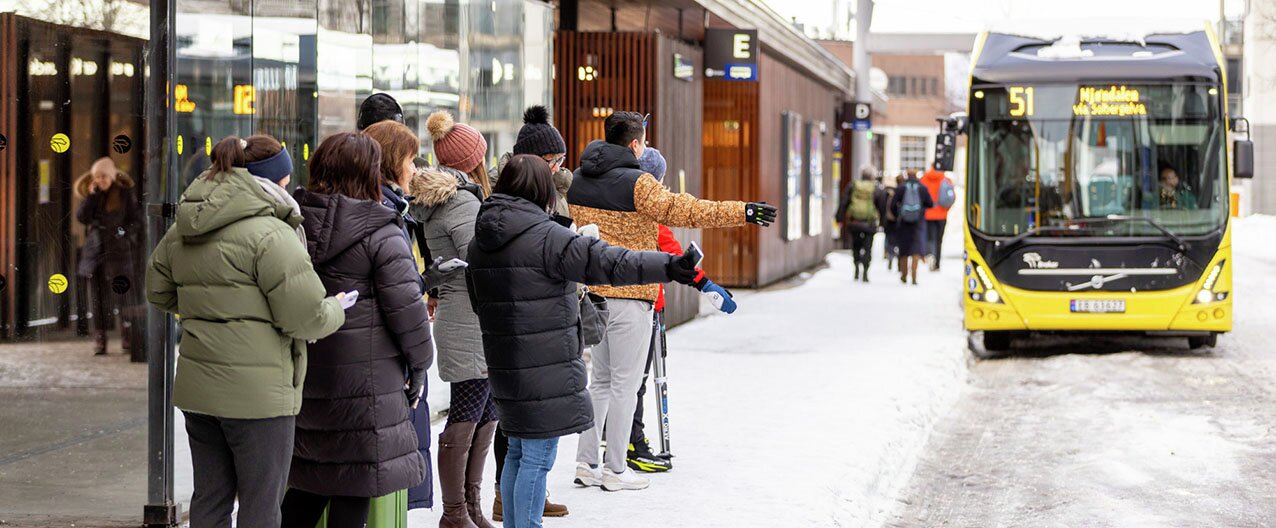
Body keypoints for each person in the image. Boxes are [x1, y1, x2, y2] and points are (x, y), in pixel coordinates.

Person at [466, 154, 701, 528]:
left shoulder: (480, 242)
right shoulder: (548, 238)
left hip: (504, 363)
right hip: (546, 365)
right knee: (537, 458)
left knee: (516, 453)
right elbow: (610, 261)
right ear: (541, 190)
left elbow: (478, 303)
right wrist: (669, 266)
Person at [568, 111, 776, 492]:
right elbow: (690, 209)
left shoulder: (579, 179)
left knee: (598, 382)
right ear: (634, 144)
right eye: (643, 142)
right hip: (632, 295)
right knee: (625, 385)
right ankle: (615, 469)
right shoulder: (639, 183)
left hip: (594, 294)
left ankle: (586, 462)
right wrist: (743, 211)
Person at [145, 136, 346, 528]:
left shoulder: (184, 226)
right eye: (286, 183)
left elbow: (157, 290)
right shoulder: (271, 234)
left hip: (199, 391)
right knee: (261, 504)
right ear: (267, 183)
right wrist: (337, 307)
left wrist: (205, 312)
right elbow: (305, 318)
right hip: (259, 398)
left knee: (210, 498)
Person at [283, 132, 433, 528]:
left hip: (304, 374)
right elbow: (407, 312)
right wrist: (420, 365)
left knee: (307, 482)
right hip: (365, 383)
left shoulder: (291, 225)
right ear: (369, 173)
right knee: (354, 485)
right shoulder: (381, 231)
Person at [401, 112, 498, 528]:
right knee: (467, 411)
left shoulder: (456, 198)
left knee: (487, 411)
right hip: (468, 319)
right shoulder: (462, 201)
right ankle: (455, 512)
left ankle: (471, 506)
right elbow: (480, 257)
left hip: (473, 316)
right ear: (472, 160)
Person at [482, 106, 573, 522]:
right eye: (555, 161)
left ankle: (518, 504)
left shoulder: (508, 200)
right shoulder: (515, 199)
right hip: (525, 333)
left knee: (521, 444)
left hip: (516, 332)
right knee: (525, 446)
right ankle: (513, 504)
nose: (560, 168)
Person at [627, 148, 737, 474]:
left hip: (614, 303)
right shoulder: (647, 216)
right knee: (636, 380)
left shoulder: (615, 205)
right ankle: (632, 443)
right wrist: (706, 285)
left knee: (615, 380)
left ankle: (612, 439)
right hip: (644, 305)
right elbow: (677, 256)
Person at [76, 157, 143, 356]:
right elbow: (82, 217)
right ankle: (100, 339)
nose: (100, 180)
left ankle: (127, 335)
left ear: (112, 176)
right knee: (98, 298)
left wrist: (124, 232)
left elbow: (137, 221)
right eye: (96, 176)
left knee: (122, 296)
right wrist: (90, 197)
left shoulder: (124, 195)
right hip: (96, 251)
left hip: (118, 252)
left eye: (103, 176)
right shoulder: (94, 196)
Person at [490, 106, 574, 217]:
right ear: (528, 160)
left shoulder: (557, 185)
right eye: (550, 160)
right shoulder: (492, 188)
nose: (557, 168)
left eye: (559, 160)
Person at [891, 169, 935, 285]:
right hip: (918, 223)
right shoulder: (922, 188)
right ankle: (914, 276)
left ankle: (904, 275)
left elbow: (892, 205)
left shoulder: (901, 188)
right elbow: (930, 203)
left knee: (904, 249)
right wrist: (921, 210)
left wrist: (899, 214)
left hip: (904, 223)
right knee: (916, 249)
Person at [843, 166, 880, 282]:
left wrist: (839, 217)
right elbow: (881, 205)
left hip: (855, 222)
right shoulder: (876, 188)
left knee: (856, 246)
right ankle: (865, 271)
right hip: (869, 223)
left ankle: (856, 268)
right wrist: (882, 221)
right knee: (868, 248)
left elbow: (844, 201)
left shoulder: (853, 186)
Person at [920, 165, 955, 271]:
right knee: (939, 240)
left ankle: (930, 256)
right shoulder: (946, 179)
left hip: (927, 214)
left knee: (929, 238)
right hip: (941, 215)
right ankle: (937, 263)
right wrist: (945, 210)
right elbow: (951, 198)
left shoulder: (923, 179)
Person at [874, 175, 899, 270]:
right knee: (895, 238)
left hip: (886, 220)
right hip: (895, 220)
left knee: (887, 237)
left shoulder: (883, 194)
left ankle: (888, 254)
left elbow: (880, 208)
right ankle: (894, 254)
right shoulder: (896, 193)